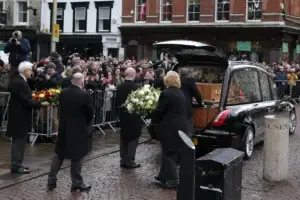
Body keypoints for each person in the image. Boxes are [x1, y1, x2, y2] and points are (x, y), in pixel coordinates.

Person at [47, 73, 94, 191]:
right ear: (82, 82)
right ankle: (77, 182)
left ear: (72, 80)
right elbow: (89, 113)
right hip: (78, 128)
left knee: (59, 154)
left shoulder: (64, 92)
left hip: (64, 127)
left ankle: (51, 180)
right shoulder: (84, 94)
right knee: (77, 156)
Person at [6, 61, 49, 174]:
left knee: (19, 142)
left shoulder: (19, 81)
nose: (32, 72)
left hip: (18, 116)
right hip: (19, 117)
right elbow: (25, 101)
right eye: (30, 69)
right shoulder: (20, 82)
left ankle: (17, 163)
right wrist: (40, 103)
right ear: (25, 71)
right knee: (19, 142)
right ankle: (16, 165)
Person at [151, 71, 187, 189]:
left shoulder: (166, 93)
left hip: (169, 127)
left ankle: (173, 179)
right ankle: (163, 176)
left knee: (168, 153)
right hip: (180, 126)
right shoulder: (180, 92)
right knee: (169, 151)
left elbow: (160, 110)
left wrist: (153, 120)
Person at [116, 67, 142, 169]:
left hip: (123, 115)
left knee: (123, 137)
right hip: (134, 116)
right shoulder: (136, 87)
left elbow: (117, 102)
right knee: (133, 138)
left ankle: (123, 159)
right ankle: (130, 160)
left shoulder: (120, 87)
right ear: (133, 75)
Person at [179, 68, 203, 137]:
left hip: (177, 106)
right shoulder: (190, 81)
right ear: (188, 74)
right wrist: (200, 103)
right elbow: (196, 93)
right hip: (186, 107)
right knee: (188, 128)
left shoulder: (177, 80)